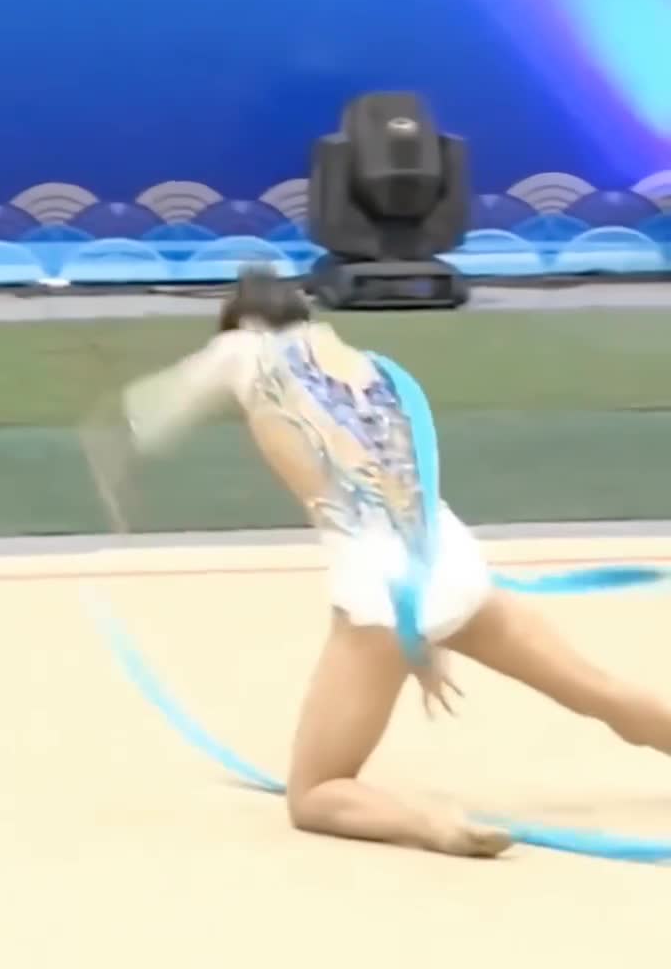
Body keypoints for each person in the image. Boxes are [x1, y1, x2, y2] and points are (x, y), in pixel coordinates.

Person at [105, 269, 671, 859]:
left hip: (381, 593)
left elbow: (151, 410)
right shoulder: (372, 366)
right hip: (452, 563)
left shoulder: (245, 348)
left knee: (316, 792)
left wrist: (118, 477)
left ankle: (437, 826)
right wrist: (426, 629)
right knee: (600, 692)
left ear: (245, 322)